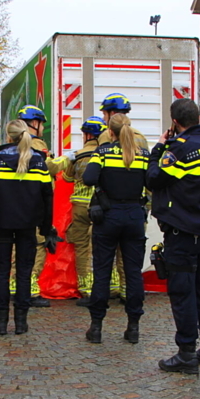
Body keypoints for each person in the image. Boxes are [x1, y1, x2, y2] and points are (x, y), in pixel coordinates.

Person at [147, 99, 200, 375]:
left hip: (183, 233)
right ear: (198, 118)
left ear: (175, 122)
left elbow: (153, 179)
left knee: (182, 293)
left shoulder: (179, 149)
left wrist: (159, 147)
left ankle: (186, 354)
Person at [0, 119, 54, 336]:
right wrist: (46, 226)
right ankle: (21, 322)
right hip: (28, 225)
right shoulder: (38, 161)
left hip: (1, 222)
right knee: (24, 273)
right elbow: (48, 196)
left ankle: (0, 323)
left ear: (8, 136)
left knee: (2, 272)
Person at [82, 114, 150, 344]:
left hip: (108, 216)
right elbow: (152, 182)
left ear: (109, 132)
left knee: (102, 271)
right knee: (133, 273)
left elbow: (89, 178)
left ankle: (97, 327)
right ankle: (133, 328)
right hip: (134, 217)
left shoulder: (102, 152)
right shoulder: (142, 155)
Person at [10, 105, 66, 307]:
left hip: (18, 201)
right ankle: (30, 290)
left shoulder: (12, 145)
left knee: (18, 246)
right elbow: (49, 166)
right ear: (35, 123)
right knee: (39, 244)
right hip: (36, 202)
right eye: (42, 123)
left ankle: (15, 287)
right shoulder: (37, 143)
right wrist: (66, 160)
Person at [97, 93, 149, 302]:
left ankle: (110, 291)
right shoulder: (141, 137)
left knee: (105, 256)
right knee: (130, 258)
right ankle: (129, 294)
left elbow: (97, 174)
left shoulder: (105, 137)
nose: (102, 116)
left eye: (104, 113)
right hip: (135, 209)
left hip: (110, 209)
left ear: (110, 114)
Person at [62, 116, 106, 306]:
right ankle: (111, 286)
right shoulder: (106, 153)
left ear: (86, 134)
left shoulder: (77, 154)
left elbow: (66, 177)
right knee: (105, 247)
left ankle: (86, 288)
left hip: (80, 206)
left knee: (82, 247)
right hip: (101, 206)